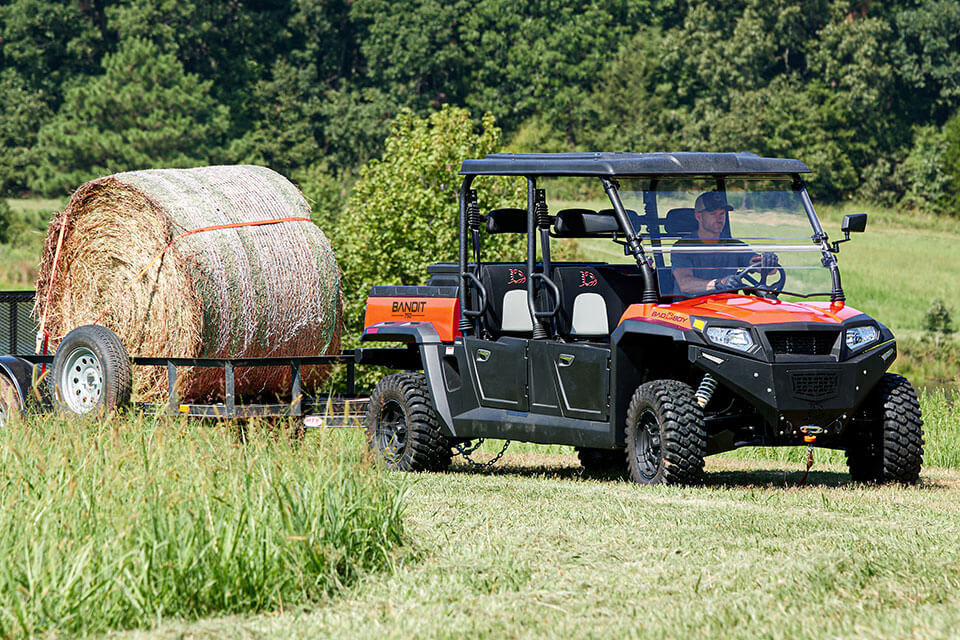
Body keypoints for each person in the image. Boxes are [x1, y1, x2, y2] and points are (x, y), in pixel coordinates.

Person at [671, 191, 774, 295]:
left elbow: (763, 266)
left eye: (722, 213)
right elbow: (685, 285)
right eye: (713, 214)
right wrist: (719, 284)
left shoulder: (734, 246)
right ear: (699, 217)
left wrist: (767, 262)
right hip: (689, 306)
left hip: (725, 306)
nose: (719, 218)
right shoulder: (683, 247)